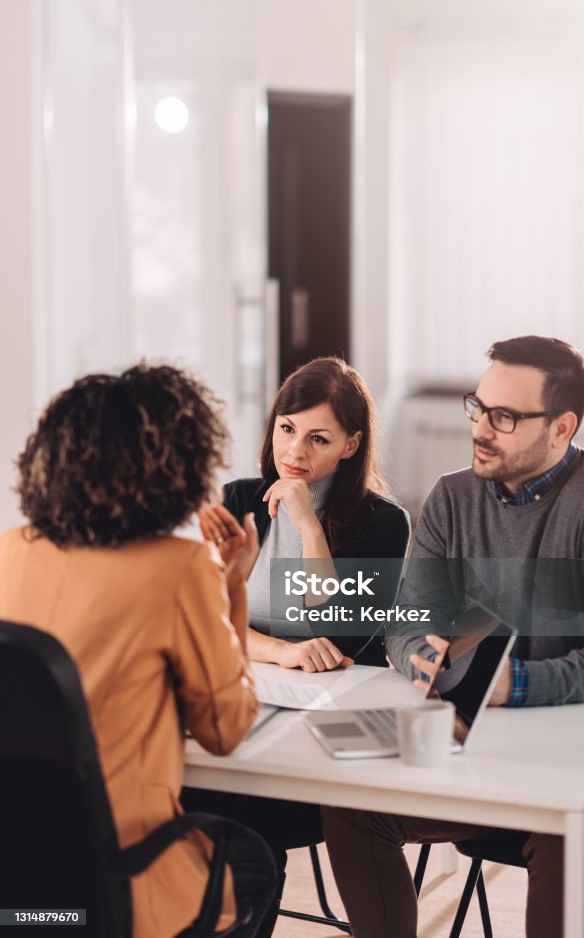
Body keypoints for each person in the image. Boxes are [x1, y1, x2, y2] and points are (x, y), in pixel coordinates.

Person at [322, 335, 584, 938]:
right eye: (479, 407)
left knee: (564, 831)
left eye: (506, 417)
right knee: (354, 805)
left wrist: (508, 686)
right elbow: (410, 618)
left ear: (562, 428)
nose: (482, 428)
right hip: (484, 749)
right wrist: (422, 662)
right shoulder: (451, 498)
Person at [0, 364, 272, 938]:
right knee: (258, 863)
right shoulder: (179, 570)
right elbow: (226, 730)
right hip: (117, 886)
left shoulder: (9, 553)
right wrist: (232, 584)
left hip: (23, 896)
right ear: (180, 470)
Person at [186, 355, 411, 936]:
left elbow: (338, 634)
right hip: (254, 704)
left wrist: (309, 526)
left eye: (319, 438)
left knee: (243, 816)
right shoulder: (238, 497)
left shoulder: (383, 524)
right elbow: (209, 620)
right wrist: (281, 651)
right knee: (195, 793)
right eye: (287, 429)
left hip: (330, 737)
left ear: (351, 444)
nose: (296, 452)